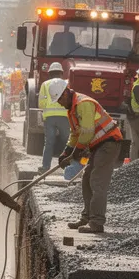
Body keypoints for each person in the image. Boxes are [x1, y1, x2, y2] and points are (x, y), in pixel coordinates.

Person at [48, 78, 123, 234]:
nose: (60, 103)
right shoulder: (73, 109)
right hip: (99, 145)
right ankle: (87, 218)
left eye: (60, 99)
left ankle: (96, 223)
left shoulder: (83, 104)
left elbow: (87, 131)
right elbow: (75, 134)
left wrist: (76, 152)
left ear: (66, 93)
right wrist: (66, 152)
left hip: (109, 143)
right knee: (86, 180)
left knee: (97, 181)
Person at [38, 62, 69, 170]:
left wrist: (47, 107)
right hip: (64, 116)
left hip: (49, 117)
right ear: (61, 73)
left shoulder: (45, 84)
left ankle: (45, 167)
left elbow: (41, 103)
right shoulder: (66, 84)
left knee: (49, 142)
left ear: (50, 73)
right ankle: (67, 167)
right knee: (67, 141)